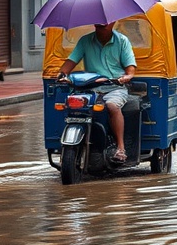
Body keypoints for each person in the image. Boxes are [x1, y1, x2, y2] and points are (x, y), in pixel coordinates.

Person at [56, 22, 137, 163]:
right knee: (73, 107)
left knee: (112, 106)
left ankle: (120, 148)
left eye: (106, 22)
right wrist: (62, 75)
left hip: (114, 87)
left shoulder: (122, 41)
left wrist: (126, 77)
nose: (102, 24)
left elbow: (130, 70)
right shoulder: (85, 41)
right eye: (99, 22)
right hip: (89, 88)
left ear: (113, 23)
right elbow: (70, 63)